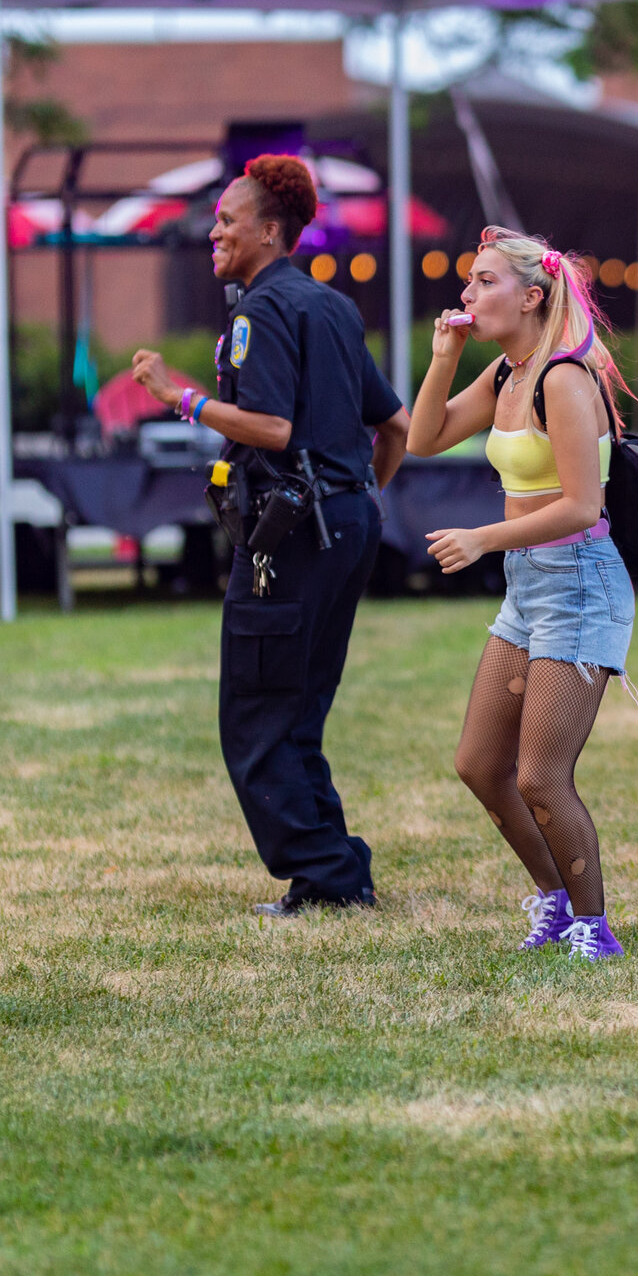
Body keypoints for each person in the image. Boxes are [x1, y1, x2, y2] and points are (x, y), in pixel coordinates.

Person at [132, 155, 409, 918]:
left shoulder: (259, 312)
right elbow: (396, 426)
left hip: (293, 533)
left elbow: (273, 428)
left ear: (269, 231)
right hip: (346, 524)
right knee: (299, 707)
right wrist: (357, 498)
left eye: (227, 219)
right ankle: (336, 869)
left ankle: (326, 876)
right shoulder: (333, 306)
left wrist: (179, 397)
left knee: (258, 710)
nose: (214, 231)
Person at [407, 229, 638, 960]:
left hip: (579, 583)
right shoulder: (506, 374)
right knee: (480, 765)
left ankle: (593, 928)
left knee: (540, 776)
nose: (468, 294)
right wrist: (444, 358)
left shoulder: (562, 378)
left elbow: (582, 506)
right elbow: (422, 439)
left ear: (532, 296)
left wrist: (482, 538)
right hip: (527, 586)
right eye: (468, 282)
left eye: (485, 282)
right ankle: (555, 900)